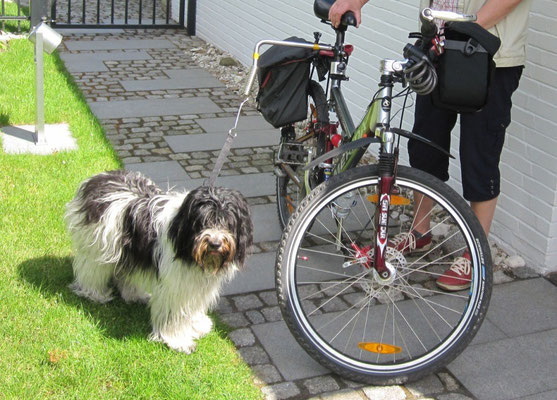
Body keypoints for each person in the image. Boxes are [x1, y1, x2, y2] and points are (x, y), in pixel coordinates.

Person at [329, 0, 532, 291]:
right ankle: (420, 230)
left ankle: (476, 252)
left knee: (480, 154)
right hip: (437, 50)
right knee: (426, 143)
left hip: (490, 54)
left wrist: (469, 30)